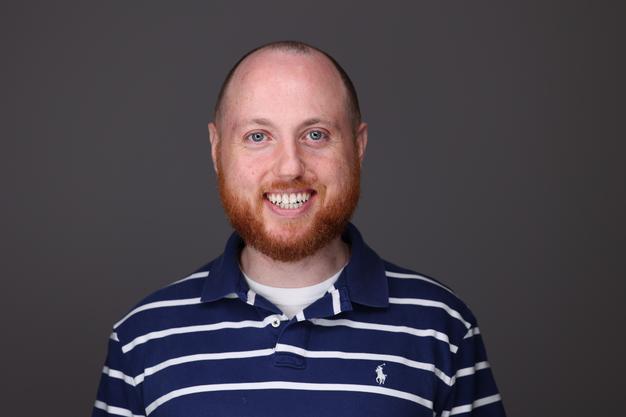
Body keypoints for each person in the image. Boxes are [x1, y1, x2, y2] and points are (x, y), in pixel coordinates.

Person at [92, 40, 506, 417]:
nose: (290, 166)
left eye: (315, 134)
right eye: (258, 136)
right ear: (217, 150)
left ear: (358, 146)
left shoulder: (443, 327)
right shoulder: (142, 337)